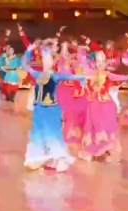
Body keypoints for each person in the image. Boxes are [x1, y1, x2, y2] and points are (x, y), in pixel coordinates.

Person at [20, 42, 86, 172]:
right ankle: (44, 156)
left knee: (52, 134)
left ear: (52, 61)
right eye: (44, 59)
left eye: (48, 59)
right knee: (38, 133)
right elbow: (25, 64)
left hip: (51, 110)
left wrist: (84, 78)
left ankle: (58, 158)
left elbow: (72, 76)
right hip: (39, 110)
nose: (46, 61)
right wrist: (29, 50)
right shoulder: (37, 74)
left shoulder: (56, 76)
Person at [78, 51, 128, 163]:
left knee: (107, 130)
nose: (100, 63)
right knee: (95, 130)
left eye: (102, 61)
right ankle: (100, 150)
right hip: (93, 107)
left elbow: (125, 77)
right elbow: (81, 66)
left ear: (106, 63)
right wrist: (81, 54)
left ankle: (108, 150)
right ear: (95, 63)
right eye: (98, 61)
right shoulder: (91, 74)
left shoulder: (109, 75)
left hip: (106, 107)